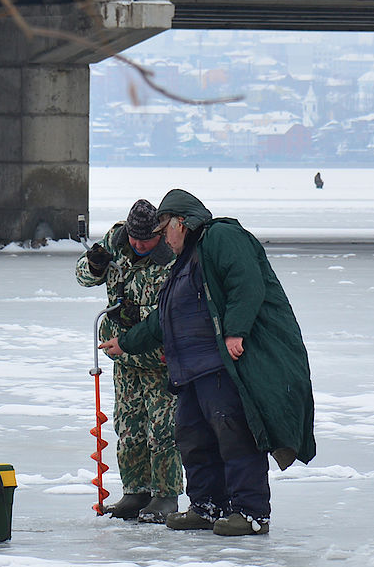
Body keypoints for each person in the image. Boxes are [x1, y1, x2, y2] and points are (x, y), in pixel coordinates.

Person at [101, 190, 315, 537]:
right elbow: (164, 320)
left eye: (164, 230)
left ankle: (251, 512)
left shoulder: (222, 236)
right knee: (193, 438)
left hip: (221, 367)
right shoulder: (185, 261)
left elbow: (246, 283)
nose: (162, 239)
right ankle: (207, 506)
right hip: (190, 372)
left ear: (180, 223)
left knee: (234, 437)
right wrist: (125, 343)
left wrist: (236, 332)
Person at [76, 199, 185, 522]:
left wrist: (137, 322)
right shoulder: (116, 243)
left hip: (158, 360)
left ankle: (165, 496)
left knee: (163, 430)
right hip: (121, 359)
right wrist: (95, 264)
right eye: (135, 239)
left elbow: (174, 312)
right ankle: (135, 492)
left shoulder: (172, 257)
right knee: (128, 426)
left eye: (146, 240)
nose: (139, 245)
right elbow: (83, 277)